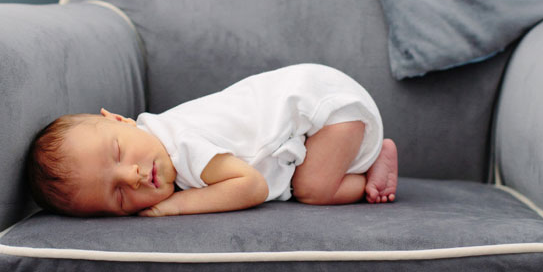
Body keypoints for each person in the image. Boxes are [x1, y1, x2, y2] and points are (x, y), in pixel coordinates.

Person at [27, 64, 398, 217]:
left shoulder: (181, 145)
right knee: (305, 180)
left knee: (313, 189)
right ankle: (364, 164)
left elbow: (251, 186)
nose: (132, 176)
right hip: (318, 116)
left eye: (118, 153)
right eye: (120, 197)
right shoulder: (158, 139)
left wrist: (176, 207)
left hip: (331, 111)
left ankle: (371, 174)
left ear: (121, 120)